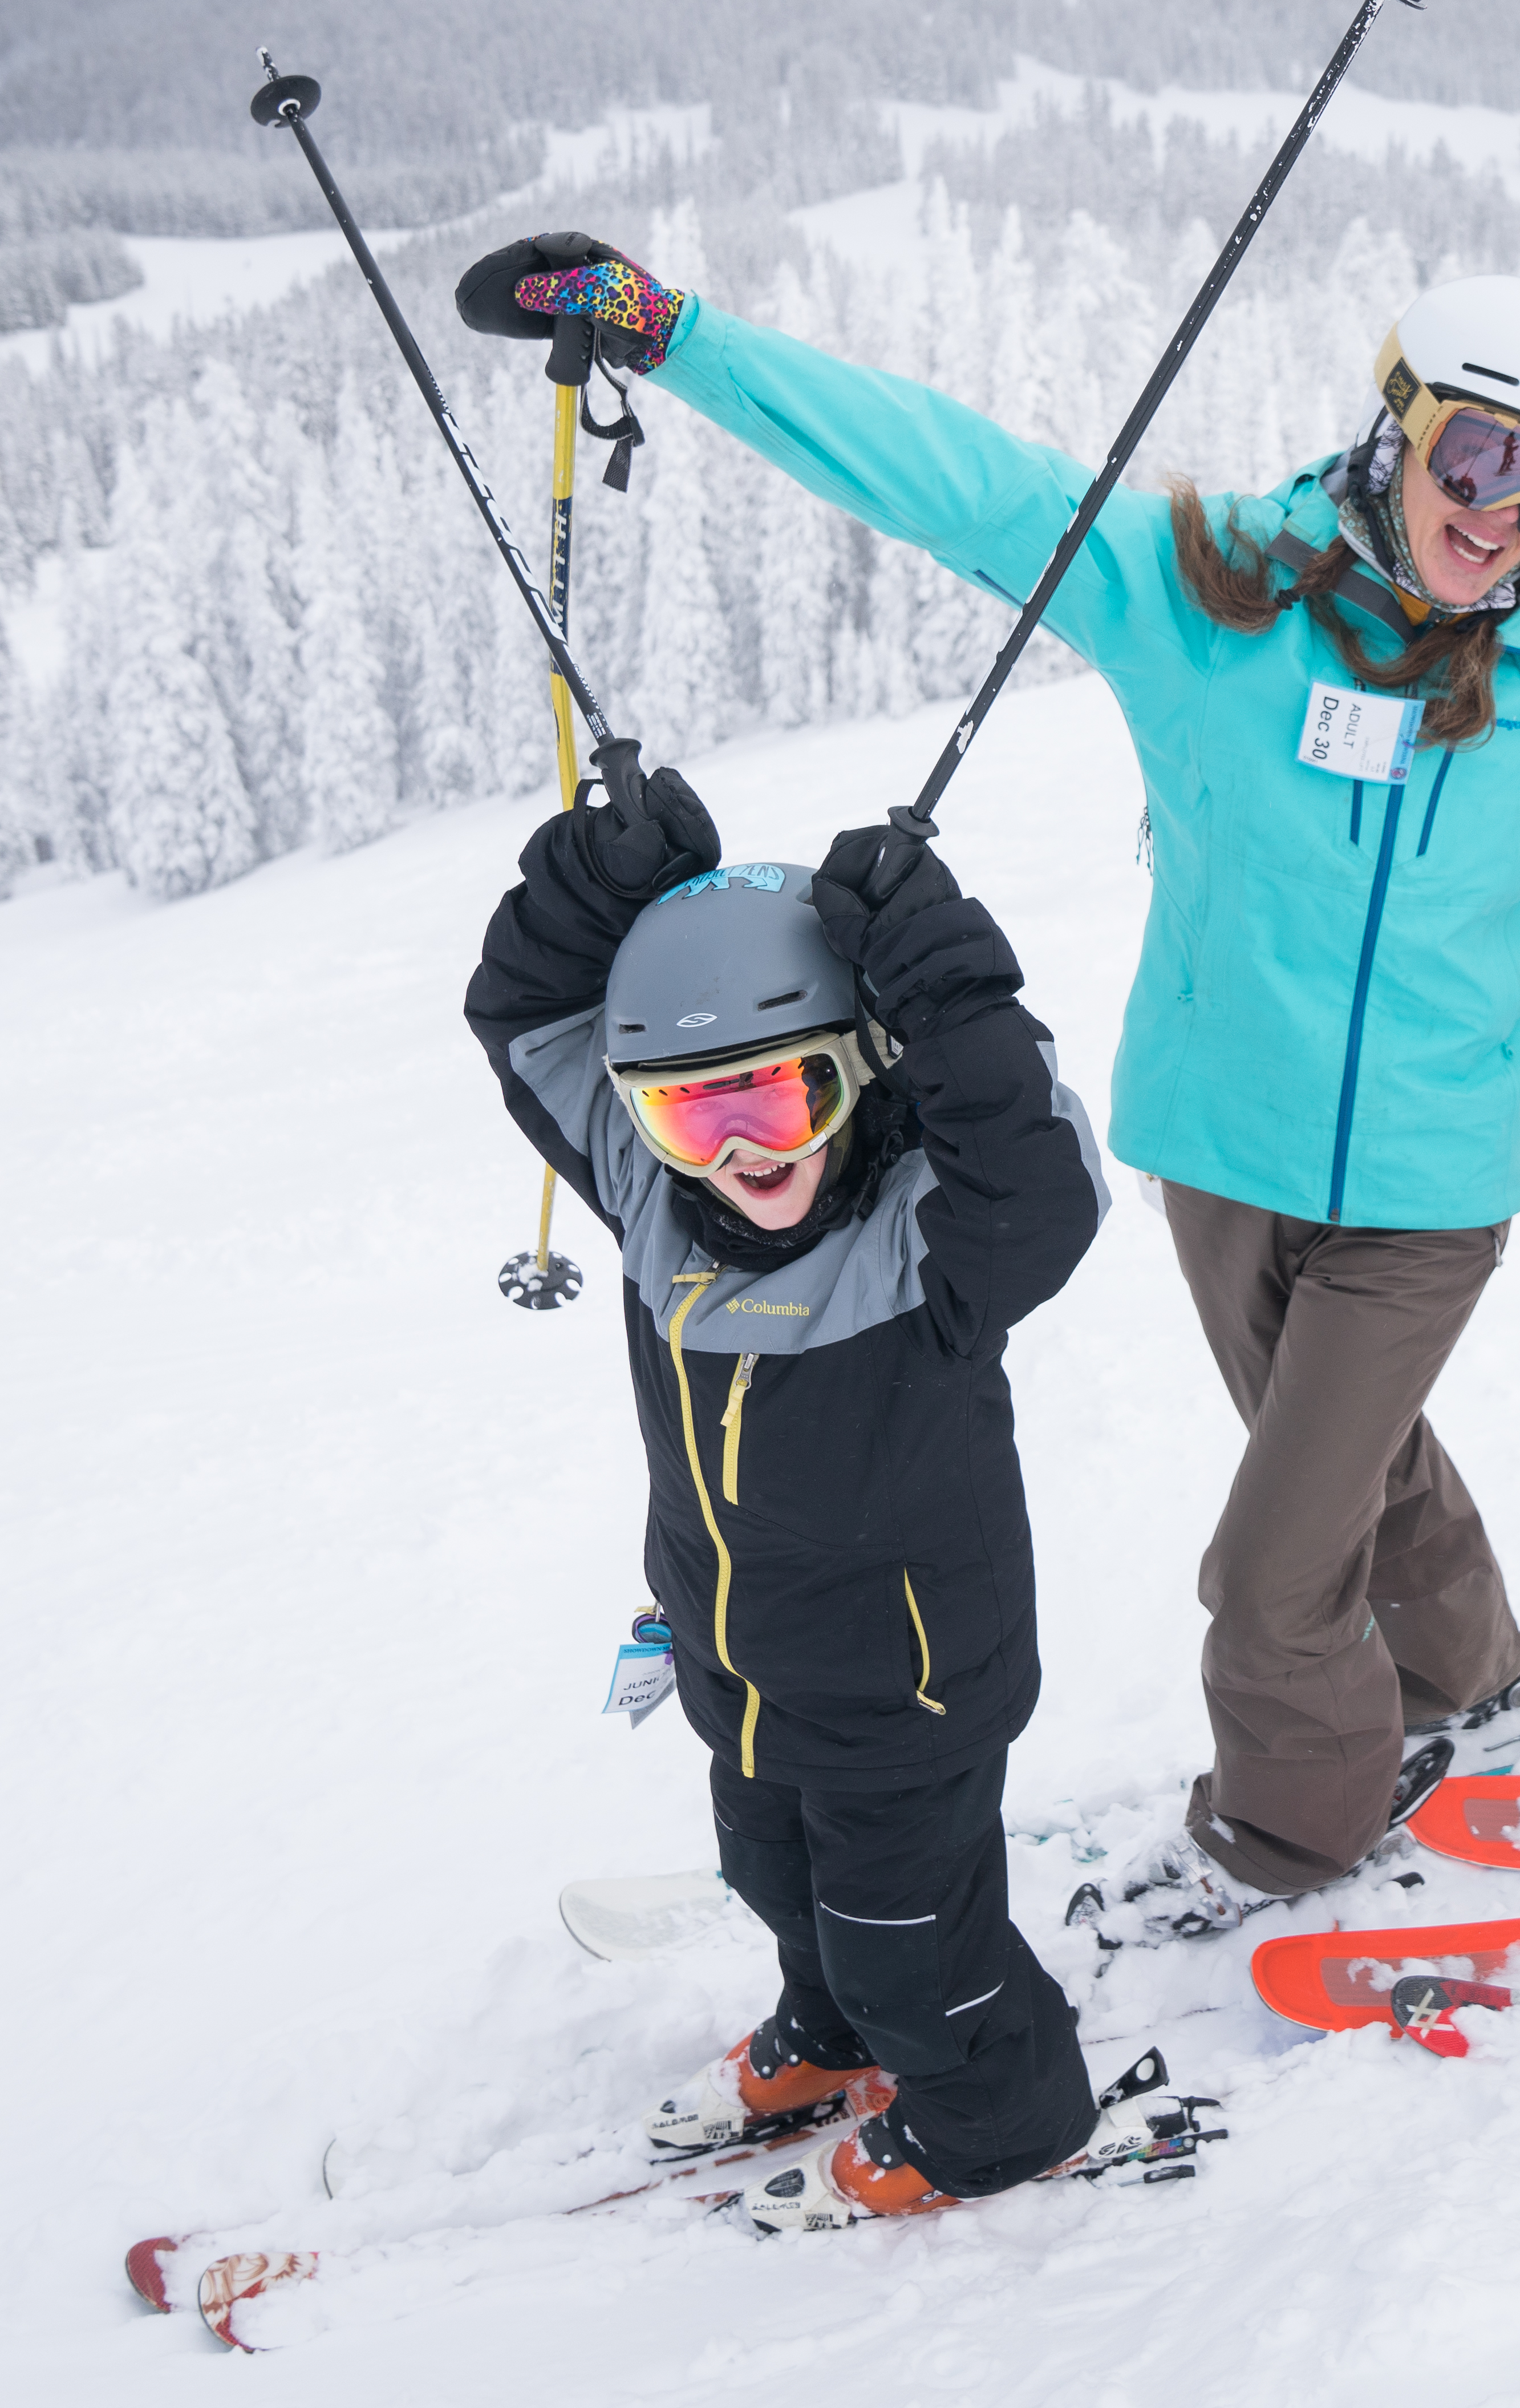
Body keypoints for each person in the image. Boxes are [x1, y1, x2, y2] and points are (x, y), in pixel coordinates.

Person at [455, 239, 1520, 1933]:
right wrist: (671, 336)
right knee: (1349, 1455)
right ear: (1396, 427)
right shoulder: (1205, 599)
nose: (1506, 514)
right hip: (1219, 1159)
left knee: (1271, 1575)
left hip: (1431, 1189)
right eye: (1480, 454)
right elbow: (953, 477)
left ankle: (1294, 1829)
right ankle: (1466, 1670)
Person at [463, 768, 1130, 2231]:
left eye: (782, 1094)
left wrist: (946, 985)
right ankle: (831, 2038)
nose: (745, 1156)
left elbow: (1038, 1175)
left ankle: (998, 2119)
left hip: (909, 1697)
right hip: (741, 1665)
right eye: (692, 1118)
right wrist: (596, 885)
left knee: (915, 1943)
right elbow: (522, 1024)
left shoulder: (930, 1249)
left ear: (863, 1067)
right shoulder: (651, 1207)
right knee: (775, 1874)